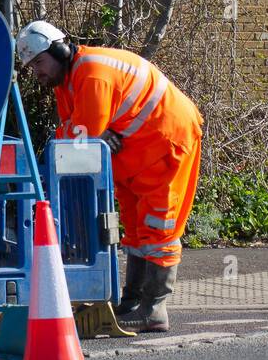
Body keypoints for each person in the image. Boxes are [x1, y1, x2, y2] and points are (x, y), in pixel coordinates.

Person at [16, 20, 203, 333]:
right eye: (31, 67)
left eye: (39, 63)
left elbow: (78, 139)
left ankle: (154, 308)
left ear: (60, 50)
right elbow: (73, 136)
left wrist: (90, 134)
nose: (37, 73)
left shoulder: (92, 74)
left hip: (166, 143)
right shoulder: (68, 81)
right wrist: (88, 134)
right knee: (135, 226)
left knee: (159, 225)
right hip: (136, 154)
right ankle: (132, 301)